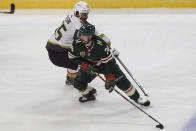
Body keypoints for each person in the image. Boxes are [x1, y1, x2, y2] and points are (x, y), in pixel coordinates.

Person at [68, 23, 150, 106]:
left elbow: (109, 63)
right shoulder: (77, 44)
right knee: (78, 83)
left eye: (84, 35)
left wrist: (109, 77)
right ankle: (89, 95)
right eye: (80, 34)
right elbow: (72, 57)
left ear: (90, 36)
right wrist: (84, 64)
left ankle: (137, 98)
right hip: (90, 66)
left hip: (106, 64)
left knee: (121, 81)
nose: (81, 37)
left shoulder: (100, 45)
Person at [46, 1, 111, 85]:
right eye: (84, 14)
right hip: (58, 54)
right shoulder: (78, 26)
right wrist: (104, 41)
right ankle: (80, 84)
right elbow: (89, 35)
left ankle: (71, 77)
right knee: (86, 61)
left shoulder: (72, 16)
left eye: (87, 14)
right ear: (77, 13)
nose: (86, 16)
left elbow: (87, 27)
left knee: (76, 54)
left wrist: (101, 37)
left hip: (57, 49)